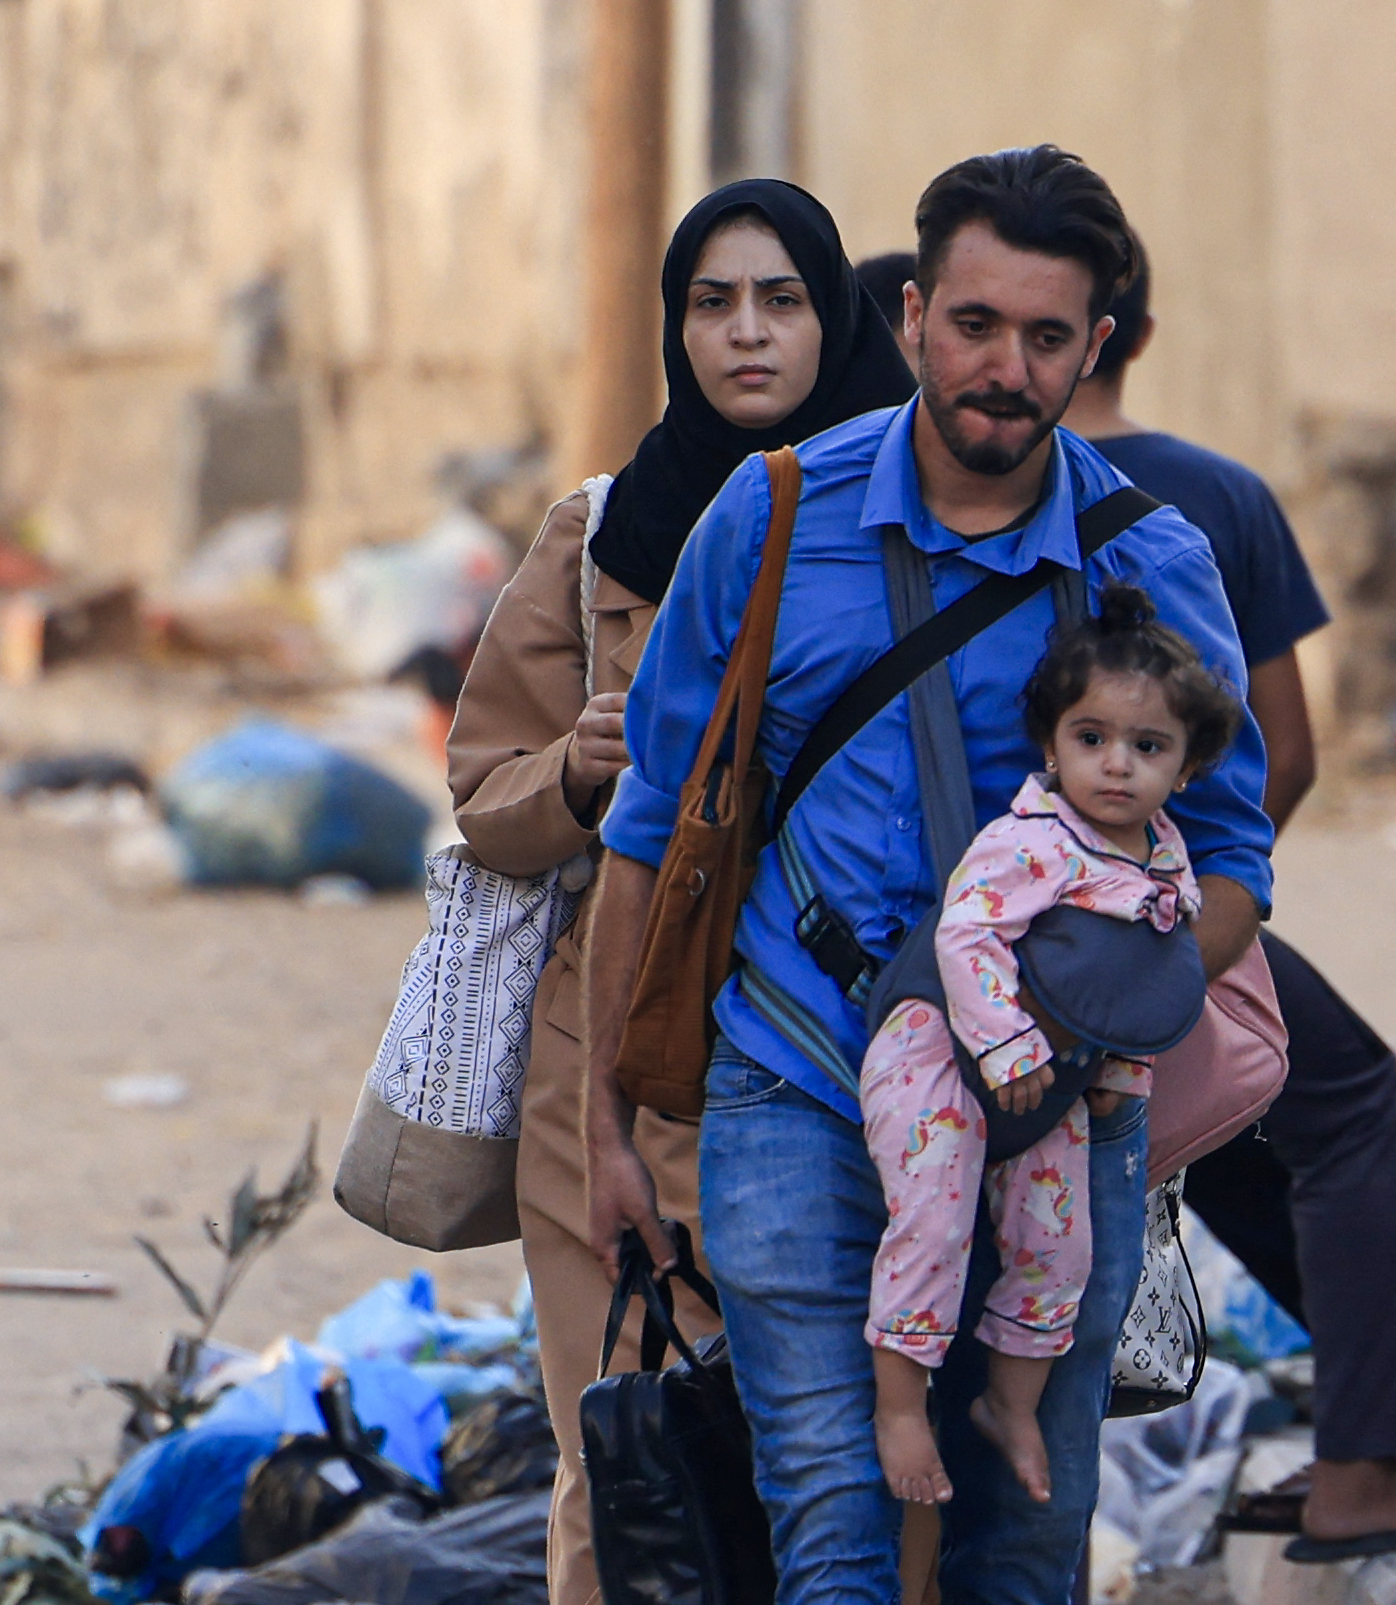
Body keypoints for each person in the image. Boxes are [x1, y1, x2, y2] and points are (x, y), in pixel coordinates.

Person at [577, 145, 1273, 1602]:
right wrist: (606, 1130)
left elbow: (1228, 862)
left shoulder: (1146, 561)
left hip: (1057, 1120)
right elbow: (650, 832)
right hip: (799, 1074)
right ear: (906, 319)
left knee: (1017, 1542)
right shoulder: (768, 519)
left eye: (1042, 337)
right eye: (971, 324)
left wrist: (1100, 1018)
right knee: (822, 1521)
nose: (1000, 369)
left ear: (1092, 348)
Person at [445, 177, 913, 1605]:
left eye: (781, 300)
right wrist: (575, 780)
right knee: (625, 1456)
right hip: (612, 1052)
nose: (745, 336)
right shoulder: (599, 540)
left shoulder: (908, 533)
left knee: (832, 1451)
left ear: (832, 317)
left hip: (846, 1048)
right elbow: (479, 794)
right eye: (710, 304)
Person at [1064, 244, 1396, 1563]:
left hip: (999, 909)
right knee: (1336, 1104)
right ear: (1136, 334)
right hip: (1183, 895)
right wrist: (1201, 906)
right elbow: (1288, 749)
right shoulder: (1214, 494)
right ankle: (1359, 1466)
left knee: (1238, 1124)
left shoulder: (942, 489)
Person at [865, 585, 1238, 1509]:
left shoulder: (1163, 858)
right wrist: (1004, 1043)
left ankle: (1010, 1400)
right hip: (940, 1056)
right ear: (1050, 744)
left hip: (1055, 1086)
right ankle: (899, 1405)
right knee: (934, 1218)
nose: (1116, 766)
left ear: (1185, 767)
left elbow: (1140, 984)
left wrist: (1118, 1070)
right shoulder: (1029, 840)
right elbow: (965, 936)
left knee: (1057, 1248)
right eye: (1090, 738)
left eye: (1147, 747)